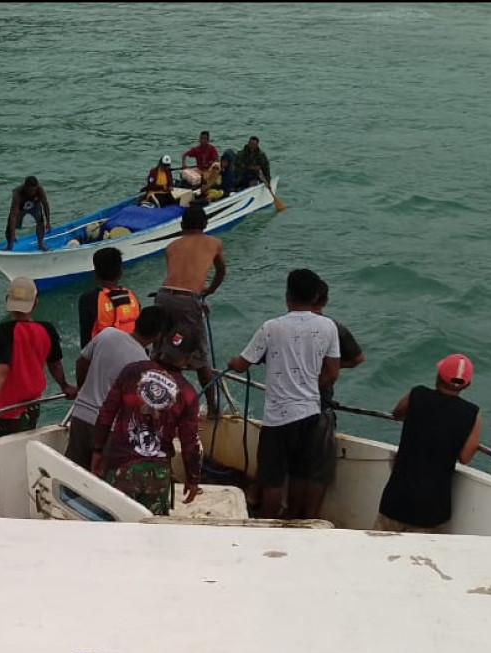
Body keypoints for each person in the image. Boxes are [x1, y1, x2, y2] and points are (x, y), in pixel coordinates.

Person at [226, 269, 340, 520]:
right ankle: (292, 520)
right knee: (300, 472)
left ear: (287, 296)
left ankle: (269, 523)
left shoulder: (271, 327)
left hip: (278, 417)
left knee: (272, 479)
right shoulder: (328, 326)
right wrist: (308, 385)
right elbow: (332, 372)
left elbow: (243, 363)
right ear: (314, 297)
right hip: (311, 411)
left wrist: (233, 363)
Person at [92, 331, 203, 515]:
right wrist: (193, 479)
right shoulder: (188, 394)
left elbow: (106, 413)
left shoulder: (131, 371)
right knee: (151, 529)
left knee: (115, 524)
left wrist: (97, 450)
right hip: (157, 473)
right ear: (188, 359)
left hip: (121, 464)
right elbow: (190, 442)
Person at [375, 354, 483, 533]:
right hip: (433, 507)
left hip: (396, 498)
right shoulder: (472, 413)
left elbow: (397, 413)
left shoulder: (417, 394)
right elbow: (465, 457)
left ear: (438, 376)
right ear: (467, 384)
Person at [64, 306, 170, 470]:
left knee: (72, 471)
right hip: (108, 429)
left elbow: (81, 362)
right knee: (101, 478)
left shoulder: (108, 334)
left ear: (137, 321)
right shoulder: (144, 363)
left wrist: (82, 388)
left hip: (80, 415)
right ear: (158, 336)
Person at [0, 277, 77, 437]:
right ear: (35, 303)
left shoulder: (4, 331)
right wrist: (64, 386)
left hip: (6, 412)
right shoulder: (47, 329)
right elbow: (55, 365)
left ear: (7, 300)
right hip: (32, 406)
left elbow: (1, 371)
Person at [152, 204, 225, 415]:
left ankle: (153, 399)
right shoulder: (214, 243)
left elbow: (177, 277)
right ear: (205, 224)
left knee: (161, 350)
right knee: (199, 354)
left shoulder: (172, 246)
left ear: (182, 224)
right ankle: (212, 408)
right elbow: (220, 271)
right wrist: (207, 291)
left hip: (164, 295)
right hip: (188, 299)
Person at [77, 247, 141, 348]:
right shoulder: (133, 297)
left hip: (105, 359)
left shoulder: (88, 299)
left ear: (95, 274)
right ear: (120, 273)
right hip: (133, 357)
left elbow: (86, 342)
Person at [5, 176, 51, 251]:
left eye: (35, 190)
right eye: (31, 190)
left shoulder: (39, 189)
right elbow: (13, 215)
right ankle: (9, 246)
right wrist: (13, 234)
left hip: (35, 204)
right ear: (26, 188)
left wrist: (48, 222)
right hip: (21, 206)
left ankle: (40, 244)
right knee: (10, 226)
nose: (33, 192)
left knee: (40, 221)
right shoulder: (17, 193)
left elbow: (45, 204)